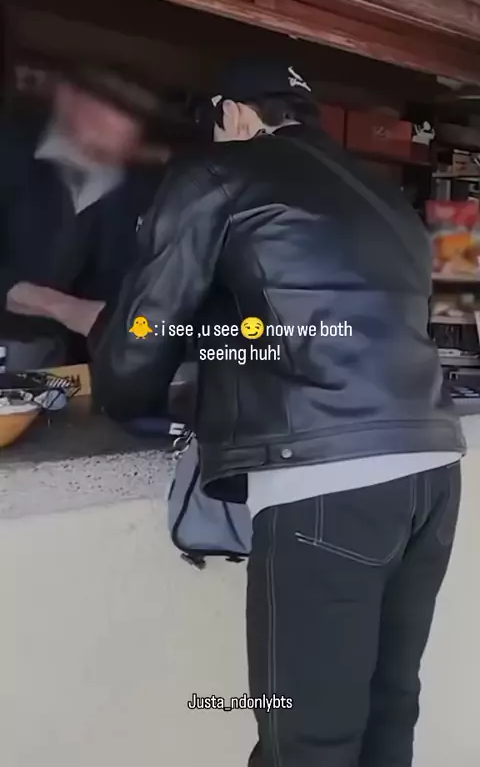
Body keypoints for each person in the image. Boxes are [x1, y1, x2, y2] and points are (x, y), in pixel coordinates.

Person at [84, 59, 466, 767]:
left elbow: (144, 332)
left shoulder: (218, 174)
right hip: (434, 473)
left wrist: (119, 391)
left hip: (326, 485)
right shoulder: (384, 198)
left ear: (232, 113)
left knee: (308, 741)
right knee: (389, 711)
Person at [0, 65, 160, 370]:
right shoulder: (9, 151)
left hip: (54, 356)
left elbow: (117, 282)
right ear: (67, 96)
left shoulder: (134, 190)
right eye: (104, 112)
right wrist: (63, 307)